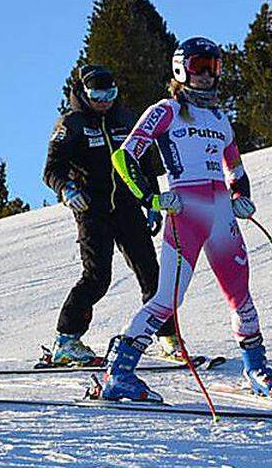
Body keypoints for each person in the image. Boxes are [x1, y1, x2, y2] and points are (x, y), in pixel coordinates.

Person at [100, 37, 272, 402]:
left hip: (221, 216)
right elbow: (124, 157)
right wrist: (150, 197)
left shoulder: (220, 118)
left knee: (240, 295)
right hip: (186, 213)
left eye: (213, 67)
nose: (206, 75)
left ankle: (255, 367)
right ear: (181, 68)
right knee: (168, 298)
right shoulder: (165, 109)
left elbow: (236, 168)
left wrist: (240, 197)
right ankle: (118, 372)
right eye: (198, 66)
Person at [42, 65, 177, 364]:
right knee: (97, 277)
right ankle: (66, 340)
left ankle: (168, 338)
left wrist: (151, 203)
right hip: (92, 210)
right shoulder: (72, 124)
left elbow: (144, 166)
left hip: (128, 208)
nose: (104, 100)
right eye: (97, 94)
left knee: (151, 273)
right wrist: (66, 189)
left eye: (110, 93)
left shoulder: (128, 120)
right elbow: (51, 170)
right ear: (83, 93)